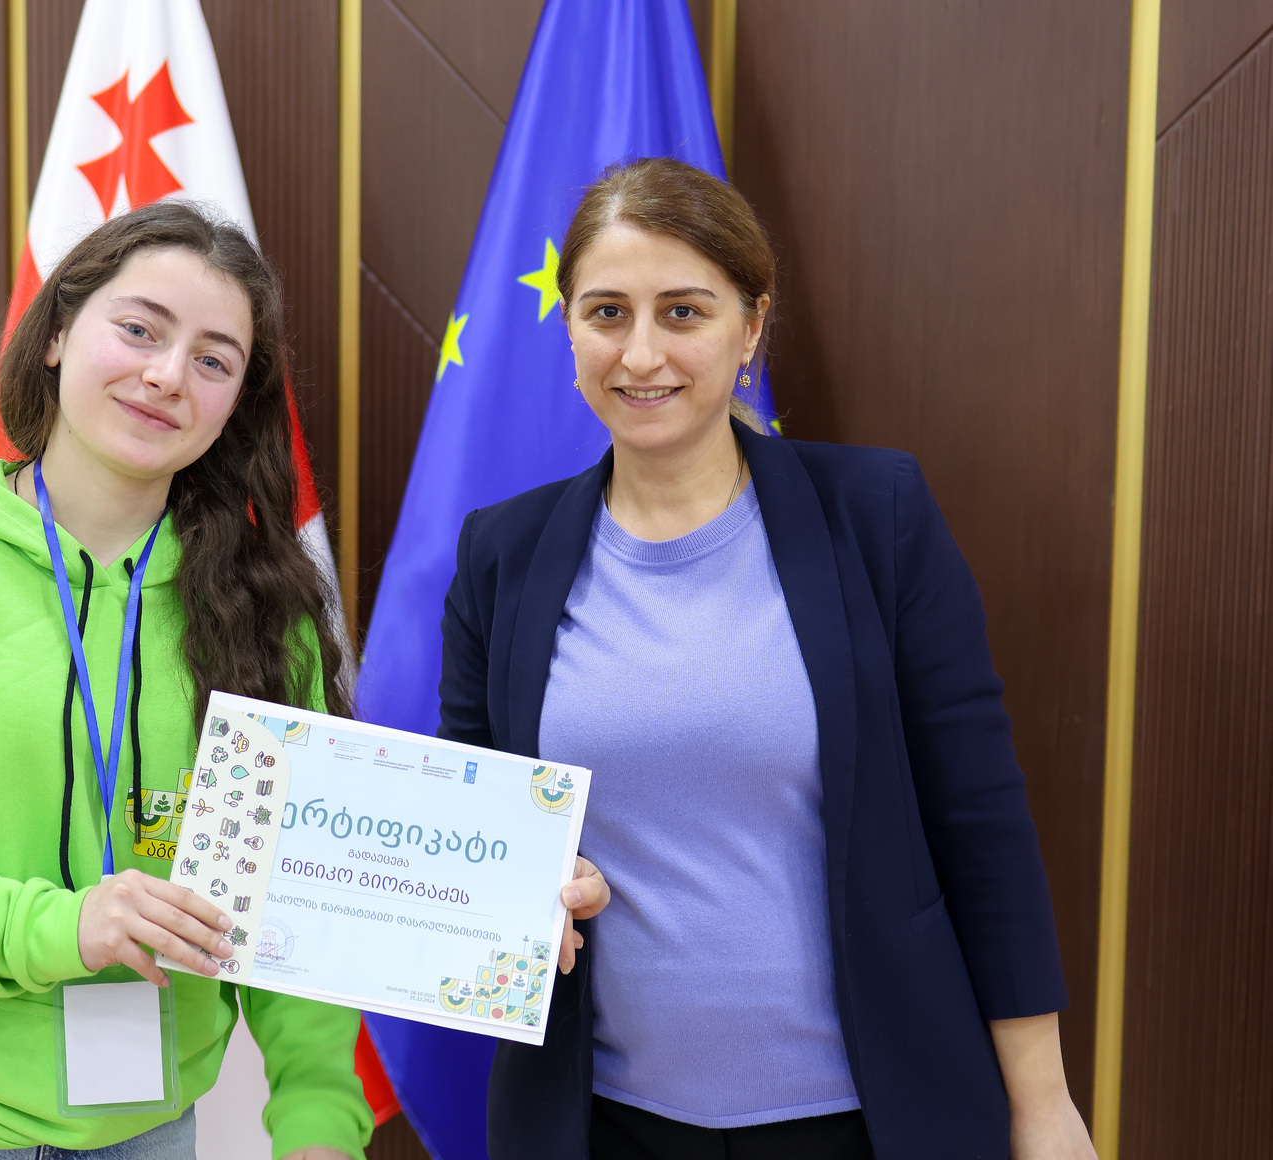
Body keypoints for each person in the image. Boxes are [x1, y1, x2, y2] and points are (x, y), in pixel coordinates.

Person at [438, 159, 1096, 1160]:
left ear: (751, 327)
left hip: (865, 1122)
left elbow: (980, 820)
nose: (642, 352)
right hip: (599, 1121)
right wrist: (519, 885)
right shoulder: (502, 553)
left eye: (684, 312)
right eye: (607, 312)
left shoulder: (877, 517)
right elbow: (470, 826)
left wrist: (1042, 1104)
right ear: (568, 328)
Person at [0, 201, 370, 1160]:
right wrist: (63, 928)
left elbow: (293, 897)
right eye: (140, 330)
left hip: (145, 1127)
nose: (168, 375)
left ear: (234, 406)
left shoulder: (264, 612)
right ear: (55, 334)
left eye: (214, 361)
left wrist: (318, 1123)